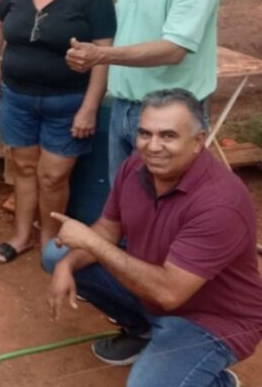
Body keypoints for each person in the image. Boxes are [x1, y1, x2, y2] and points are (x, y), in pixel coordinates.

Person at [47, 89, 262, 387]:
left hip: (213, 320)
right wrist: (66, 265)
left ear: (197, 142)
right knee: (56, 255)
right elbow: (108, 230)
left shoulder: (220, 202)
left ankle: (218, 381)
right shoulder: (135, 167)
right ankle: (142, 331)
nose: (153, 146)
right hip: (152, 289)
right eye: (145, 133)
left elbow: (169, 293)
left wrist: (91, 243)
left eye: (168, 136)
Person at [66, 0, 221, 184]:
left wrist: (102, 55)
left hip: (169, 116)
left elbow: (174, 49)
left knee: (163, 205)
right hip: (126, 106)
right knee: (126, 201)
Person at [0, 0, 116, 265]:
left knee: (53, 175)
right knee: (25, 169)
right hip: (17, 96)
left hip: (68, 101)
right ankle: (22, 236)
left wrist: (90, 106)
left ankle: (50, 241)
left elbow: (103, 54)